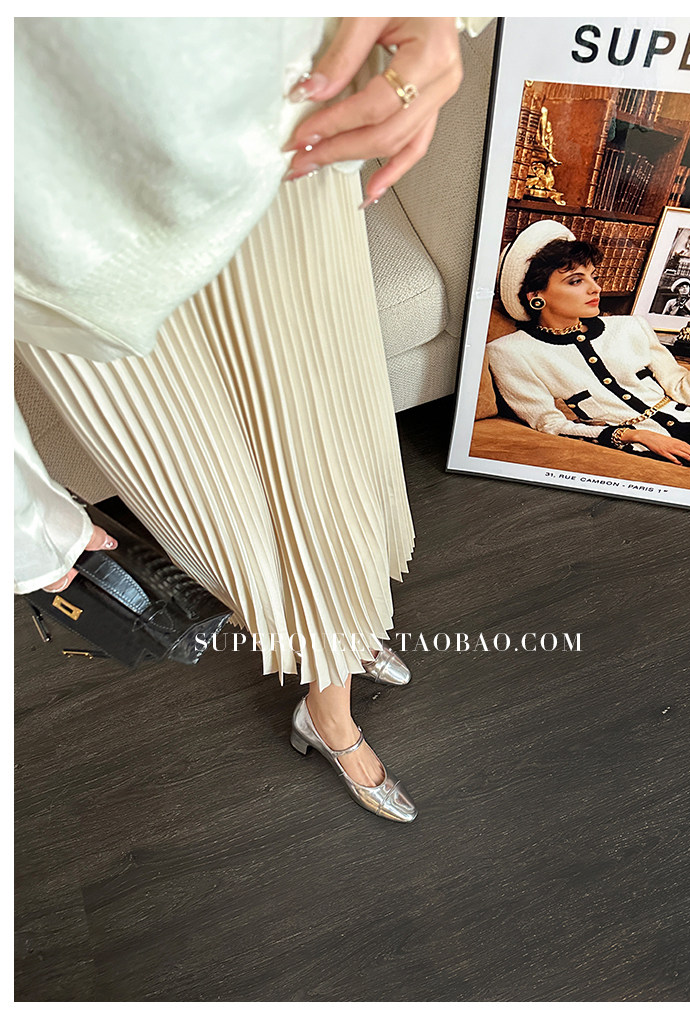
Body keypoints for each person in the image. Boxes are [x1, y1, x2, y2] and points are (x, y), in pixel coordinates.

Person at [15, 17, 491, 824]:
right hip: (68, 229)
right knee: (216, 496)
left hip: (274, 124)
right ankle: (329, 702)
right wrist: (22, 522)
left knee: (329, 435)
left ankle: (342, 630)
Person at [489, 220, 690, 486]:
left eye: (593, 276)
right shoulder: (509, 353)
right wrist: (633, 435)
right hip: (652, 445)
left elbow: (689, 393)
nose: (595, 288)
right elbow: (549, 424)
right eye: (576, 281)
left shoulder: (631, 327)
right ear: (536, 295)